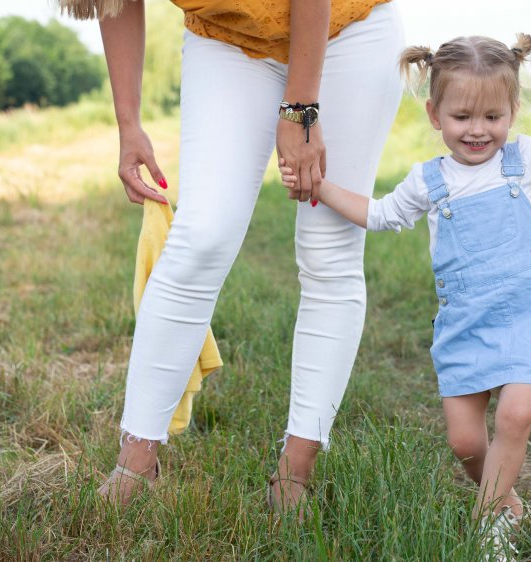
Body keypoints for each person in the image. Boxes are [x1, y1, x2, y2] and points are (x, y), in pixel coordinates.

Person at [281, 34, 531, 560]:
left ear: (513, 112)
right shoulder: (428, 180)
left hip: (528, 311)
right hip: (464, 322)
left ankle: (488, 526)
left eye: (492, 116)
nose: (478, 130)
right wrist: (320, 187)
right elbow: (380, 215)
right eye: (462, 117)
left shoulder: (522, 159)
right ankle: (503, 499)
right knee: (464, 442)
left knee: (515, 417)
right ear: (435, 114)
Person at [64, 0, 405, 512]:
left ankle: (295, 471)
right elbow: (115, 3)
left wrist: (300, 110)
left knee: (329, 249)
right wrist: (128, 123)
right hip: (228, 40)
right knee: (202, 236)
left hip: (347, 30)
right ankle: (135, 463)